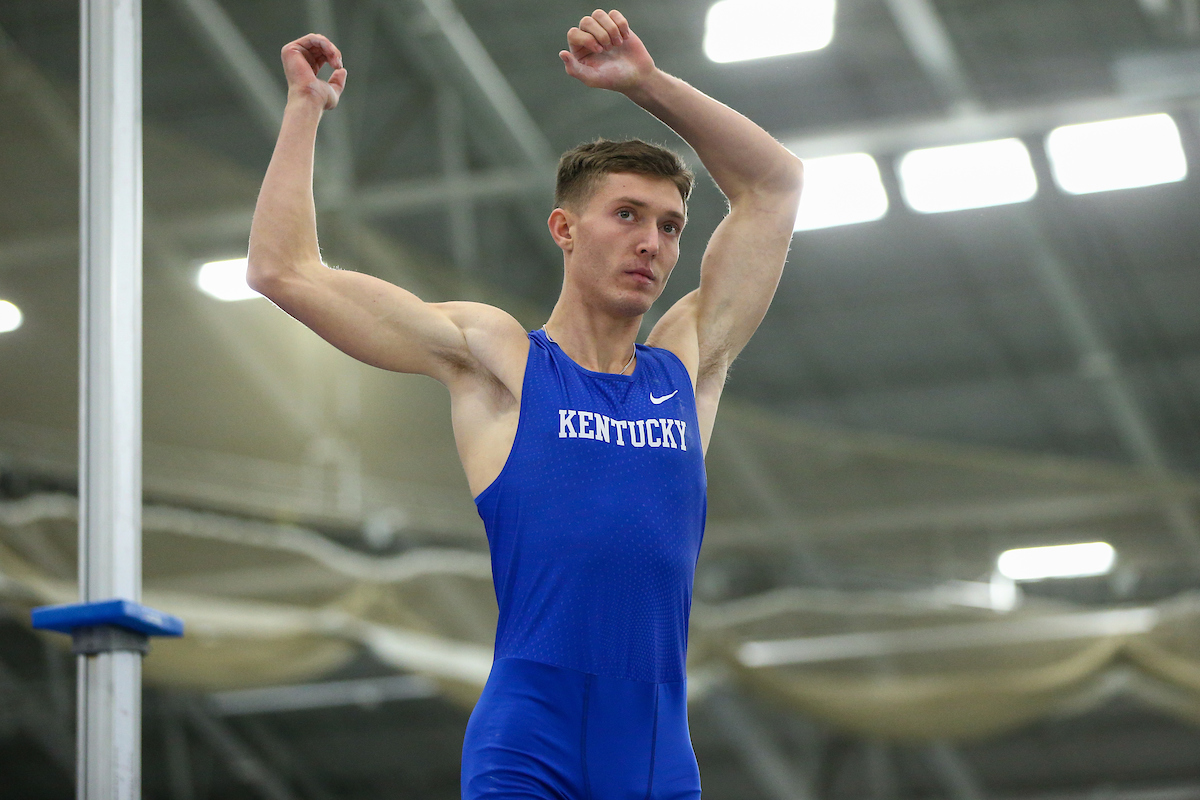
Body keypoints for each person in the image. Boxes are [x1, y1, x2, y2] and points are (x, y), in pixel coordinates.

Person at [248, 9, 802, 799]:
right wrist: (305, 109)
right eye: (627, 215)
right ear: (564, 229)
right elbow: (283, 271)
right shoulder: (499, 362)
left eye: (671, 226)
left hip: (653, 751)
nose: (652, 242)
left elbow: (776, 184)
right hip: (531, 741)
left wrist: (647, 85)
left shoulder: (686, 367)